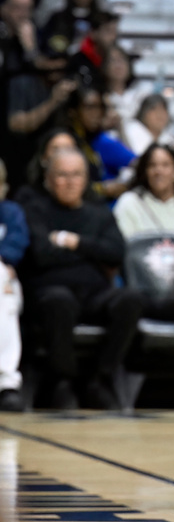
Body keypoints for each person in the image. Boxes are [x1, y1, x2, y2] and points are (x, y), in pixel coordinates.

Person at [20, 147, 144, 410]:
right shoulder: (34, 209)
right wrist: (91, 252)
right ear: (48, 179)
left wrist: (70, 241)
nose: (69, 181)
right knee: (59, 300)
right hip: (50, 293)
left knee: (130, 298)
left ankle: (100, 379)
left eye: (76, 174)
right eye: (62, 175)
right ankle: (62, 382)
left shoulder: (99, 212)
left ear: (86, 178)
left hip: (94, 295)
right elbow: (41, 254)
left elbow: (116, 253)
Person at [113, 143, 174, 240]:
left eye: (165, 165)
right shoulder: (129, 202)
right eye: (152, 165)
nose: (158, 171)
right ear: (145, 172)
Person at [0, 160, 28, 411]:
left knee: (2, 282)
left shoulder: (10, 213)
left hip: (4, 285)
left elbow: (16, 244)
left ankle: (6, 382)